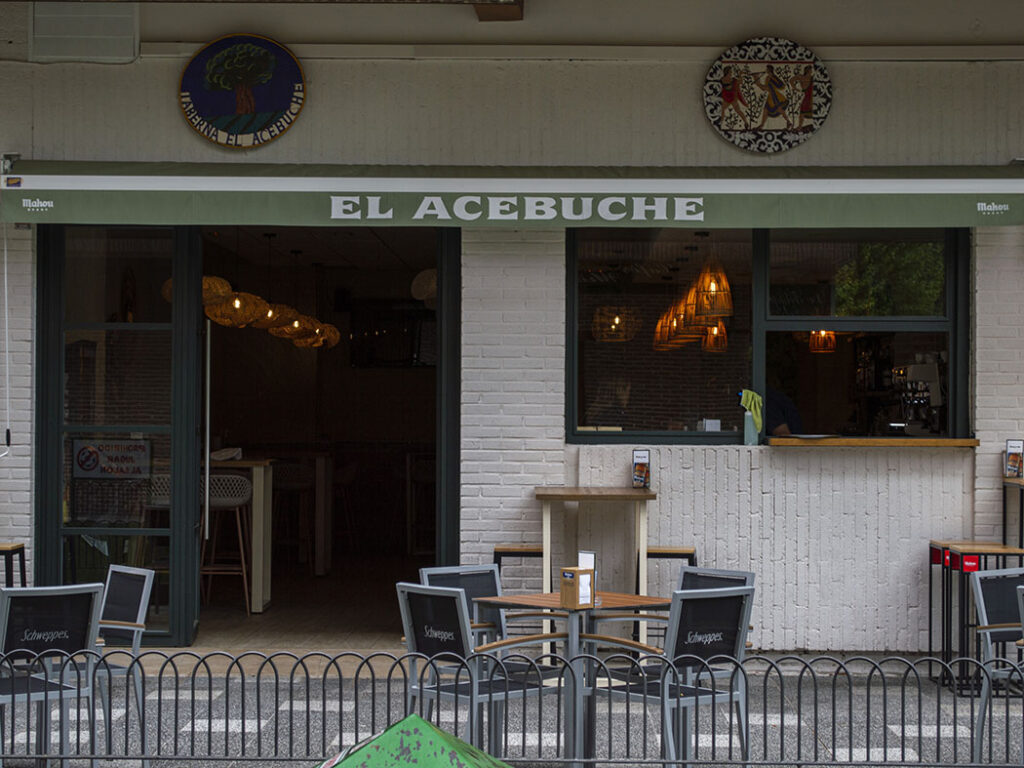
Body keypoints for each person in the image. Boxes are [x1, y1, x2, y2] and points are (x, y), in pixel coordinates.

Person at [754, 64, 793, 130]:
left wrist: (759, 83)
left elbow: (782, 86)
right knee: (766, 110)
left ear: (769, 70)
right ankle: (762, 125)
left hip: (776, 96)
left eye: (767, 69)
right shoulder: (767, 78)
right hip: (770, 97)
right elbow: (764, 88)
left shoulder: (773, 77)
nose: (766, 70)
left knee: (780, 109)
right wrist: (757, 81)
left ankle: (789, 122)